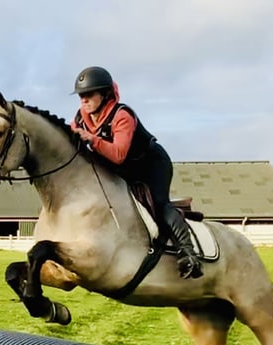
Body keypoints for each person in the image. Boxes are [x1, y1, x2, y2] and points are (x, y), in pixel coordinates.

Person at [70, 66, 203, 279]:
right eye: (81, 96)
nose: (83, 100)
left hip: (151, 165)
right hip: (124, 168)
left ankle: (188, 253)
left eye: (88, 95)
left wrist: (92, 139)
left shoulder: (122, 115)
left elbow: (118, 154)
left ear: (104, 94)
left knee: (158, 205)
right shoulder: (81, 117)